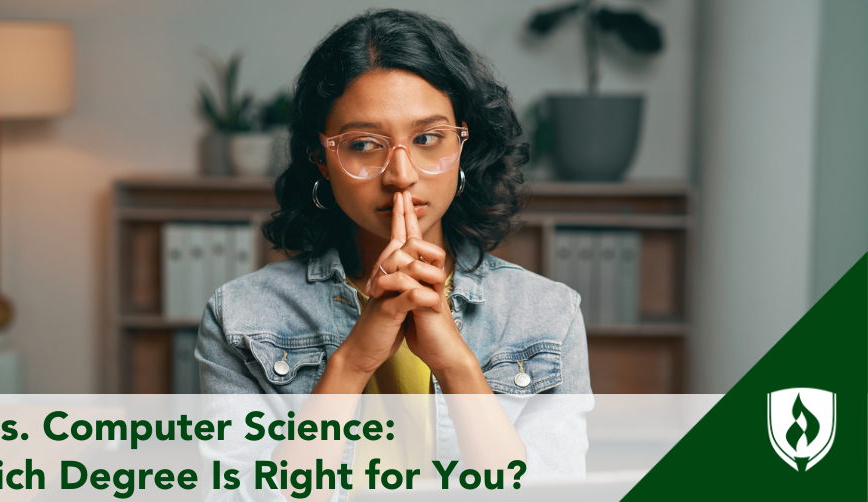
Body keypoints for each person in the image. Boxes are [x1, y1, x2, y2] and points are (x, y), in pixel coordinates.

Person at [195, 8, 592, 499]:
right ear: (322, 158)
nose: (401, 174)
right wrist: (354, 360)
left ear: (464, 146)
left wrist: (456, 365)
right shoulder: (240, 318)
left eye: (427, 139)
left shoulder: (547, 315)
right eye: (364, 144)